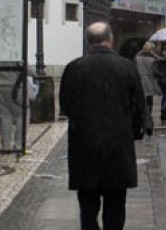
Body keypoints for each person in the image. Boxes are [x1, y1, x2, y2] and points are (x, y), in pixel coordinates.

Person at [59, 22, 148, 230]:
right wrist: (133, 132)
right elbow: (139, 107)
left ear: (88, 41)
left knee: (88, 206)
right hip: (118, 146)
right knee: (115, 205)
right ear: (111, 39)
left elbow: (66, 105)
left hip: (84, 145)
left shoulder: (74, 68)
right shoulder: (127, 67)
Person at [135, 42, 161, 132]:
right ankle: (148, 118)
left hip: (139, 81)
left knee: (142, 101)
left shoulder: (137, 57)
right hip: (149, 82)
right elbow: (156, 72)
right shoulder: (153, 59)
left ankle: (142, 117)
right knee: (149, 101)